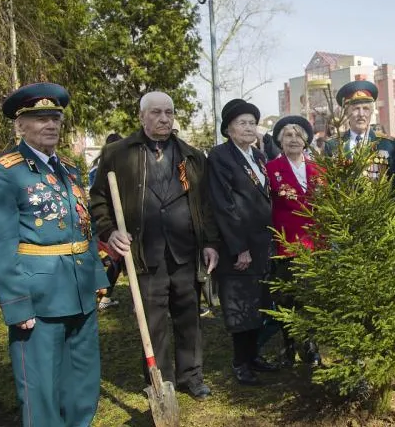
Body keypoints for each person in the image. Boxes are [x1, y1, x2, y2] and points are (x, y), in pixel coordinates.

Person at [0, 82, 109, 426]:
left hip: (80, 292)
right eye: (40, 118)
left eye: (55, 117)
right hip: (39, 298)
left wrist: (97, 280)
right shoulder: (5, 170)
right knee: (41, 390)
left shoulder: (68, 168)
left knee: (82, 383)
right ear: (20, 125)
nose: (50, 124)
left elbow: (86, 226)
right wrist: (17, 303)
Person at [89, 91, 220, 401]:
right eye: (156, 112)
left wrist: (210, 242)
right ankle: (160, 380)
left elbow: (205, 204)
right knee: (153, 319)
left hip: (185, 251)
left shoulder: (192, 156)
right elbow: (98, 200)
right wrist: (109, 232)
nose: (164, 118)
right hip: (144, 254)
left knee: (188, 315)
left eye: (169, 112)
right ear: (142, 116)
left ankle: (191, 376)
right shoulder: (117, 154)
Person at [206, 99, 279, 385]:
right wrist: (239, 248)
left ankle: (253, 356)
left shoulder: (258, 156)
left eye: (252, 122)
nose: (249, 128)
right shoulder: (221, 156)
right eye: (242, 123)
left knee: (257, 304)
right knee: (240, 306)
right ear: (228, 129)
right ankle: (240, 362)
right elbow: (223, 205)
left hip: (262, 244)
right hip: (239, 247)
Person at [265, 115, 323, 366]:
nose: (293, 140)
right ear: (280, 140)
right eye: (288, 135)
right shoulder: (271, 170)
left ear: (307, 140)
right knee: (287, 298)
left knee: (310, 298)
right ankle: (288, 346)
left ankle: (310, 346)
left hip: (314, 244)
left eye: (298, 135)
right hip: (285, 243)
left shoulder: (319, 169)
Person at [324, 80, 395, 179]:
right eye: (356, 109)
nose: (361, 114)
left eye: (366, 109)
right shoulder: (333, 145)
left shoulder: (387, 144)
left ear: (371, 112)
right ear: (346, 112)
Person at [90, 132, 125, 311]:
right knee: (115, 261)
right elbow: (98, 197)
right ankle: (104, 296)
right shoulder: (101, 169)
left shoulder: (100, 166)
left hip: (113, 222)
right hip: (107, 224)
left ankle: (104, 295)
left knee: (117, 262)